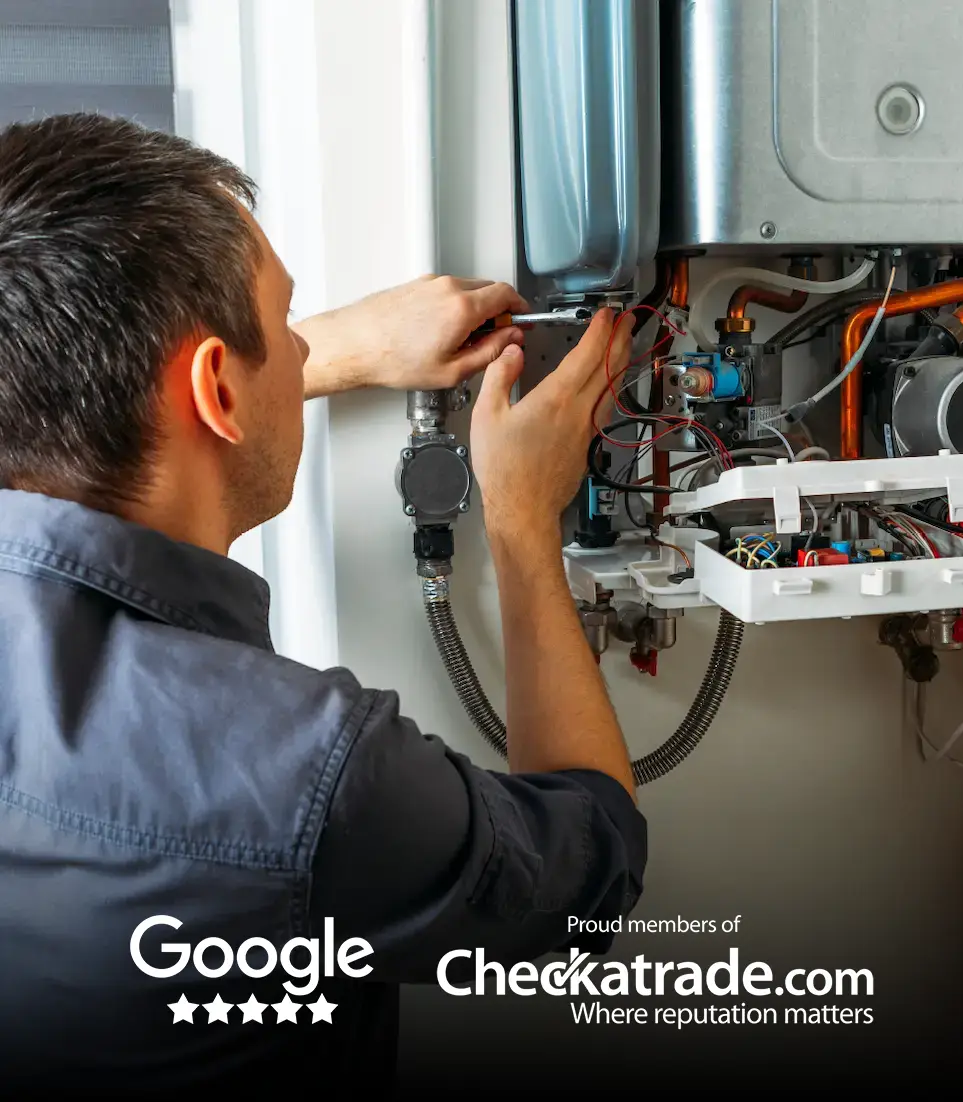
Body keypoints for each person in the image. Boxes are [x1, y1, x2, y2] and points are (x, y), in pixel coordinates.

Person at [0, 113, 645, 1094]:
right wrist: (521, 521)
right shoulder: (303, 770)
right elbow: (593, 863)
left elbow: (189, 391)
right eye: (288, 328)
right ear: (214, 387)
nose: (305, 354)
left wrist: (342, 347)